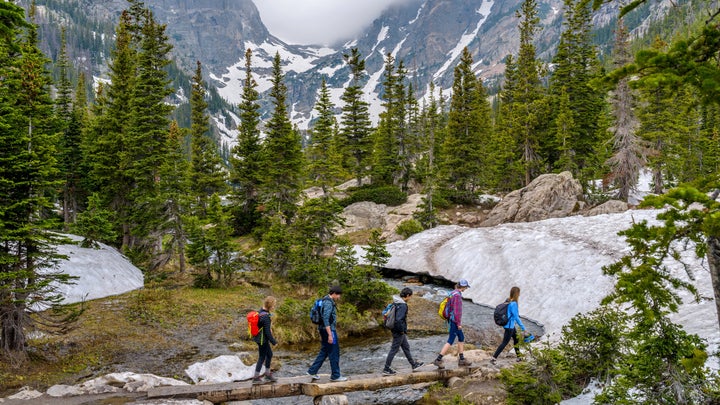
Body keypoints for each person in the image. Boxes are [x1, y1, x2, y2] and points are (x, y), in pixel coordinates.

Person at [307, 285, 348, 382]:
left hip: (323, 329)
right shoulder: (328, 303)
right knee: (334, 352)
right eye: (338, 295)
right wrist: (330, 334)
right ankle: (336, 376)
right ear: (333, 293)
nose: (339, 297)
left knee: (325, 350)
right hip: (328, 330)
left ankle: (312, 370)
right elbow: (326, 319)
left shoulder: (324, 299)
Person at [382, 287, 424, 375]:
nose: (410, 298)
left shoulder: (396, 302)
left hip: (395, 329)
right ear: (407, 295)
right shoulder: (403, 305)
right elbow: (399, 320)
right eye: (410, 296)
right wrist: (401, 331)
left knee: (406, 347)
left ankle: (413, 364)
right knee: (394, 349)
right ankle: (386, 369)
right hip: (398, 331)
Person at [432, 279, 472, 368]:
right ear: (463, 287)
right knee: (450, 340)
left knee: (461, 337)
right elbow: (457, 312)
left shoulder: (453, 293)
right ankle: (438, 359)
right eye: (465, 287)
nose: (466, 289)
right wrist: (458, 324)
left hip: (451, 319)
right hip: (454, 321)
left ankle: (461, 359)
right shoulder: (457, 296)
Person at [491, 286, 527, 365]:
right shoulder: (513, 303)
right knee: (504, 343)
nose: (520, 294)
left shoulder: (508, 300)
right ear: (516, 294)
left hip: (509, 325)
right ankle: (494, 358)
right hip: (509, 326)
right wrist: (523, 328)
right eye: (519, 293)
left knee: (516, 340)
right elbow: (516, 317)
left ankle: (519, 357)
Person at [252, 296, 278, 384]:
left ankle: (267, 374)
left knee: (269, 354)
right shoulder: (266, 317)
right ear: (270, 305)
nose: (274, 307)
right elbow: (267, 332)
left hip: (259, 338)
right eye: (273, 305)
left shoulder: (261, 311)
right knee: (262, 357)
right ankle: (256, 377)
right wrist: (274, 342)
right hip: (263, 340)